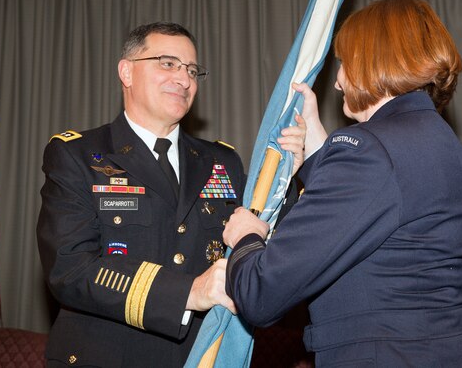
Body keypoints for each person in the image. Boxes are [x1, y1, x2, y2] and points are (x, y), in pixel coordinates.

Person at [223, 0, 462, 367]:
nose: (337, 82)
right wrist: (320, 148)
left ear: (372, 62)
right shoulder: (447, 145)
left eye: (345, 63)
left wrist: (245, 238)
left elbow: (261, 293)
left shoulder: (368, 150)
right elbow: (385, 224)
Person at [36, 22, 305, 367]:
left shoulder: (220, 160)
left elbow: (273, 241)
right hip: (107, 356)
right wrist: (190, 292)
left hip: (201, 356)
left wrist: (288, 175)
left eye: (192, 70)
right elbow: (71, 270)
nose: (184, 79)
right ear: (127, 72)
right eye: (167, 63)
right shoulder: (78, 155)